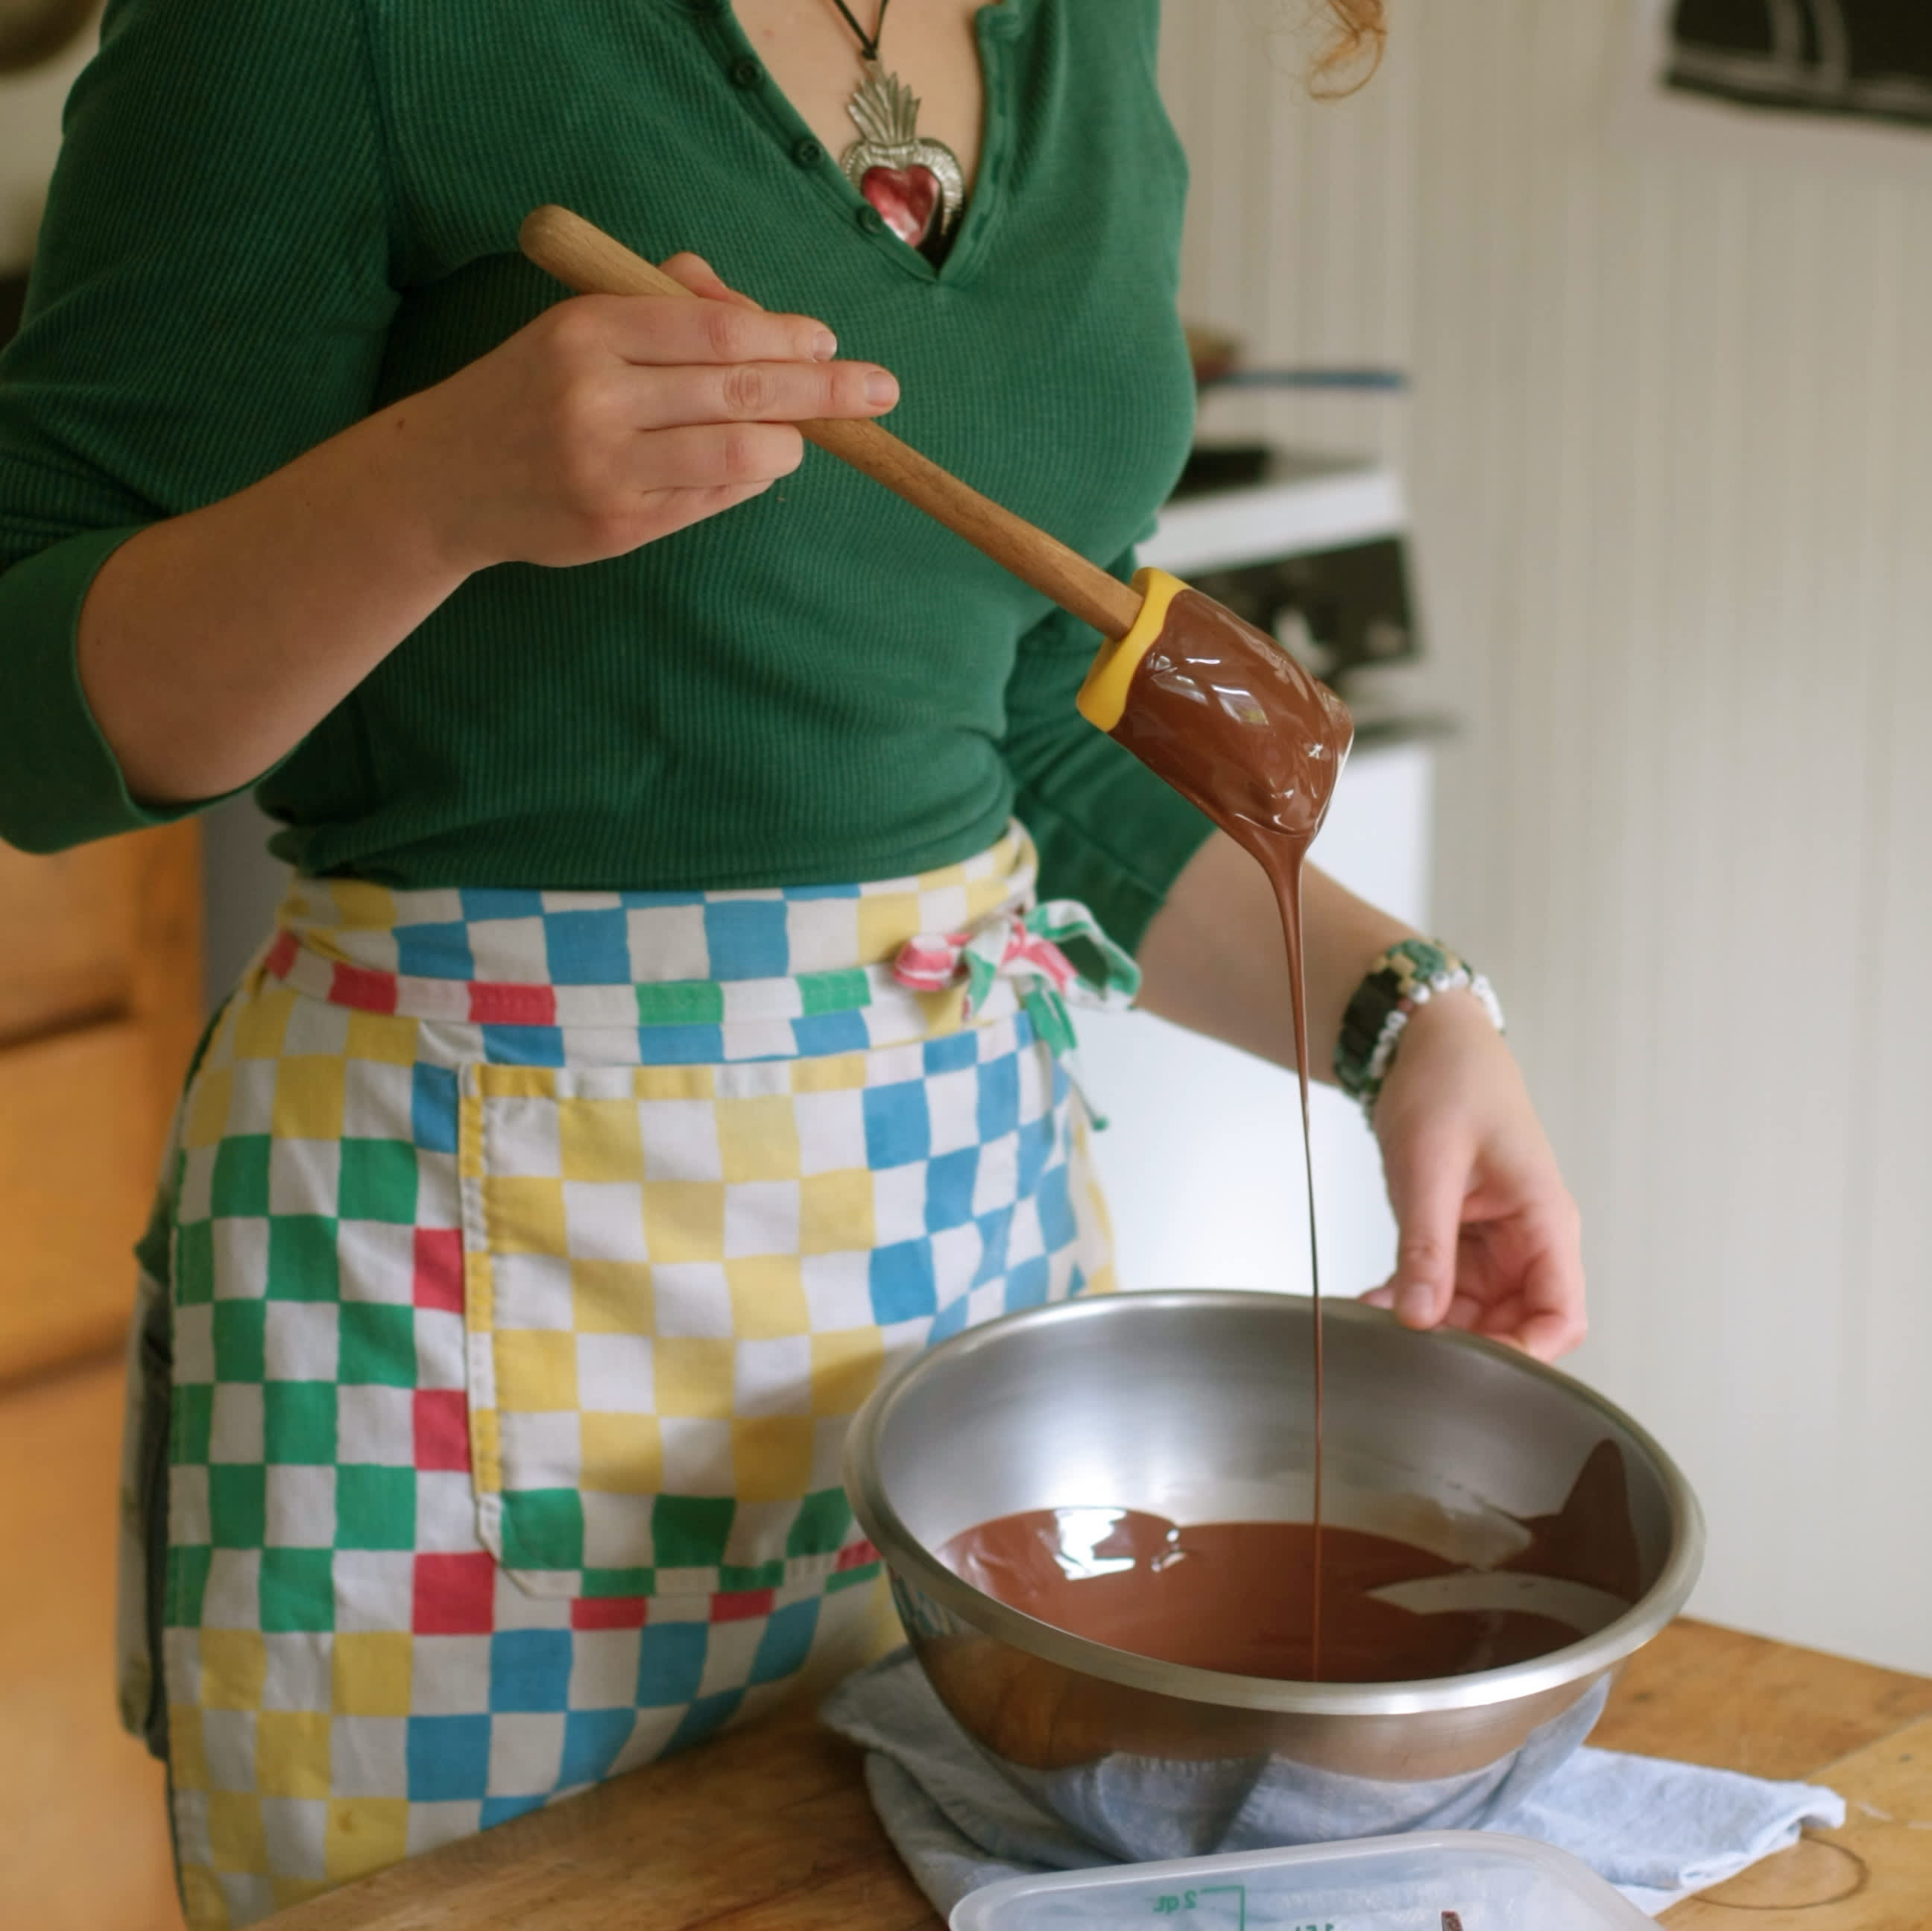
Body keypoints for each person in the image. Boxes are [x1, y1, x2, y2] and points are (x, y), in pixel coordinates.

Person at [0, 0, 1581, 1923]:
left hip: (950, 1265)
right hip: (456, 1280)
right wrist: (437, 493)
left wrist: (1407, 1018)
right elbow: (35, 713)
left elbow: (1008, 710)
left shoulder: (1083, 35)